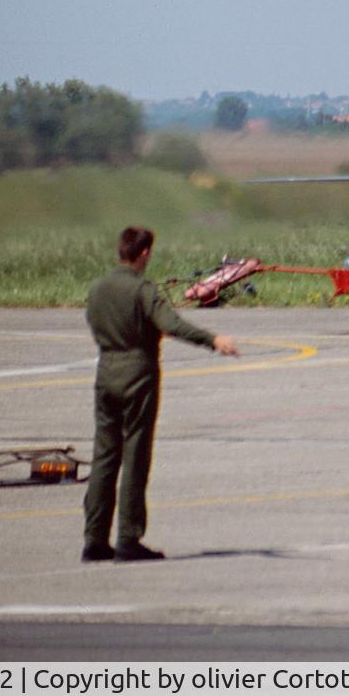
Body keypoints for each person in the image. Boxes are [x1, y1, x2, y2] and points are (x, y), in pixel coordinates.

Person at [82, 226, 239, 564]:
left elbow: (94, 323)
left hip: (105, 372)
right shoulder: (143, 290)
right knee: (135, 456)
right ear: (143, 254)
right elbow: (171, 324)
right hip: (138, 375)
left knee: (104, 458)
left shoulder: (97, 289)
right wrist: (212, 340)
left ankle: (94, 539)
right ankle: (127, 538)